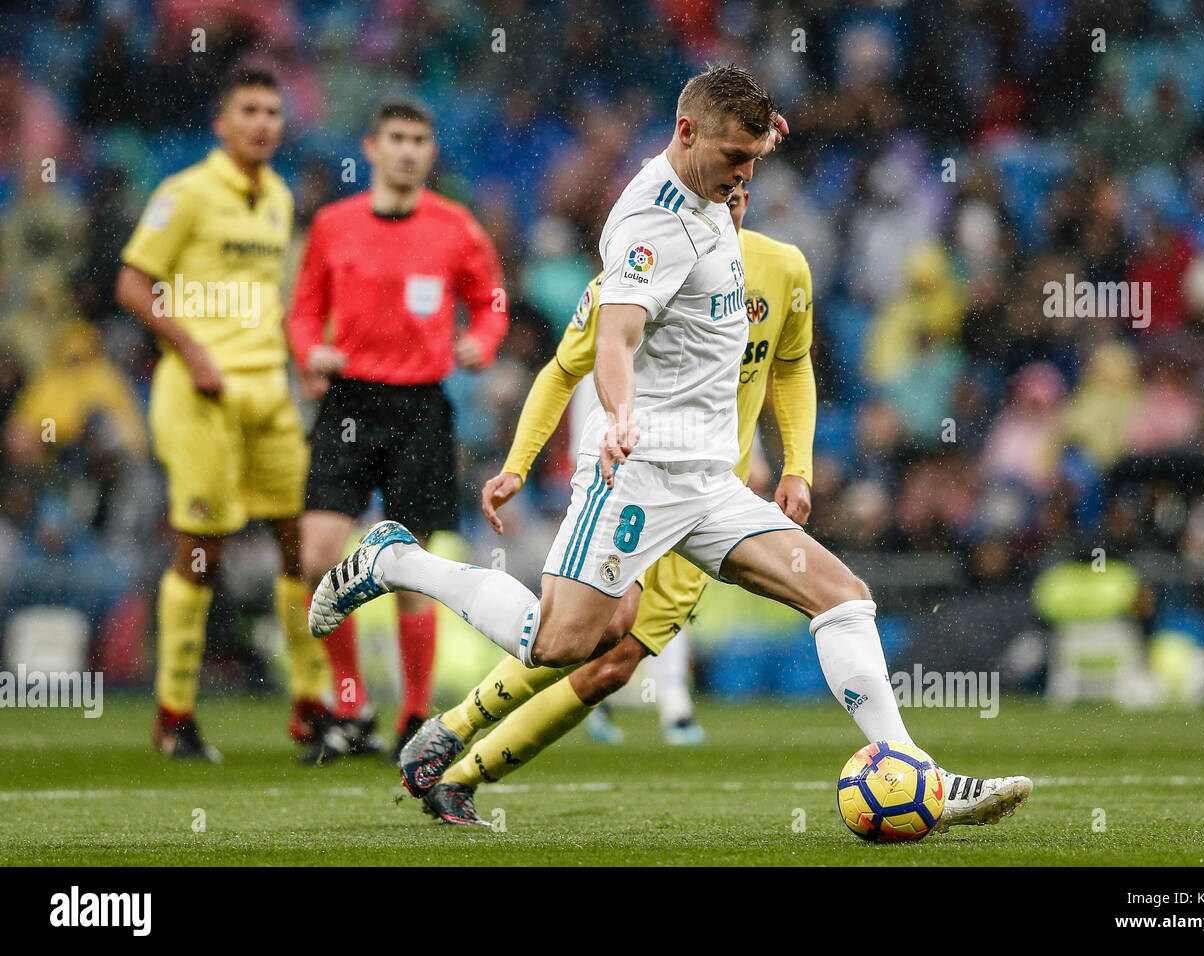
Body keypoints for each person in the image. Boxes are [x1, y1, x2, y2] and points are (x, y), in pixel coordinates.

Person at [312, 65, 1032, 827]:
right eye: (733, 161)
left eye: (754, 161)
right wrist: (617, 416)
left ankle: (916, 772)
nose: (743, 178)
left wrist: (757, 134)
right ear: (686, 136)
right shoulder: (647, 225)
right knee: (561, 643)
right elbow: (613, 341)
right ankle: (395, 558)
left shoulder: (717, 175)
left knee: (844, 597)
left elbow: (737, 156)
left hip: (712, 481)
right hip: (637, 473)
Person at [422, 183, 814, 822]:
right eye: (724, 186)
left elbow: (790, 366)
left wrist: (794, 463)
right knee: (583, 632)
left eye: (745, 187)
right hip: (632, 485)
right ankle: (451, 727)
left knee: (614, 665)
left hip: (711, 501)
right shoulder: (640, 263)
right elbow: (562, 369)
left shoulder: (782, 267)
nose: (733, 200)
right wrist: (518, 464)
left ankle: (460, 778)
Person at [116, 69, 330, 761]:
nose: (264, 122)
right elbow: (131, 283)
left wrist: (299, 362)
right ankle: (174, 713)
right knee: (202, 552)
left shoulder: (277, 196)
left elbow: (268, 298)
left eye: (273, 110)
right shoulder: (184, 194)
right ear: (222, 123)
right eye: (249, 111)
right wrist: (192, 350)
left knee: (302, 548)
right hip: (202, 395)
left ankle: (311, 705)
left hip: (269, 393)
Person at [289, 96, 509, 763]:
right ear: (373, 147)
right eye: (398, 139)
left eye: (420, 138)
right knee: (320, 552)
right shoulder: (333, 226)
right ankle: (352, 702)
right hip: (350, 401)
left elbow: (492, 297)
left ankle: (415, 712)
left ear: (430, 151)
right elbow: (302, 312)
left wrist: (486, 339)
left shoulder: (456, 227)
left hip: (420, 406)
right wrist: (310, 353)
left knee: (411, 568)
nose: (409, 149)